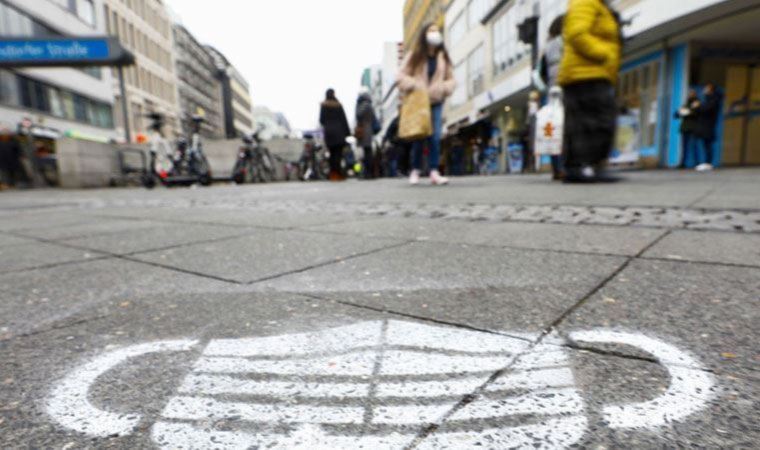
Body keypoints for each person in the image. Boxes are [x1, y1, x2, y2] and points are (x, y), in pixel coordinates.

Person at [559, 0, 622, 183]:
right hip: (584, 73)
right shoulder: (585, 2)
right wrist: (604, 54)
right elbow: (577, 33)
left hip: (595, 73)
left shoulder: (599, 6)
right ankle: (580, 167)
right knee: (591, 122)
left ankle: (589, 166)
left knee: (595, 123)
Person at [397, 22, 456, 185]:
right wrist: (415, 84)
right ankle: (415, 170)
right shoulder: (414, 55)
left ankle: (434, 171)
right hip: (418, 102)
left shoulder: (443, 57)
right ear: (424, 34)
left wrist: (442, 88)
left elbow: (451, 79)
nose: (434, 33)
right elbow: (400, 76)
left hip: (436, 101)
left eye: (437, 31)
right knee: (419, 137)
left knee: (435, 137)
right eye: (431, 30)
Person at [542, 15, 565, 180]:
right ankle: (563, 166)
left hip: (551, 93)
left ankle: (556, 168)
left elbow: (540, 72)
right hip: (565, 88)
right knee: (564, 130)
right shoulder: (564, 42)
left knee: (553, 130)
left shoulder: (547, 47)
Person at [319, 89, 351, 181]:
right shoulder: (338, 105)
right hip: (339, 131)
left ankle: (333, 174)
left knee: (332, 154)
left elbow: (321, 120)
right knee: (338, 154)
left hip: (329, 132)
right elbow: (344, 119)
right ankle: (338, 173)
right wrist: (347, 133)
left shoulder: (323, 106)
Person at [695, 83, 721, 172]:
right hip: (705, 126)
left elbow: (706, 110)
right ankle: (706, 162)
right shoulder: (707, 99)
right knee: (705, 144)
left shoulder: (713, 99)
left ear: (711, 90)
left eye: (707, 88)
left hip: (708, 126)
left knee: (708, 145)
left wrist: (698, 106)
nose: (704, 90)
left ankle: (708, 163)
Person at [355, 88, 378, 180]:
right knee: (368, 152)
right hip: (368, 130)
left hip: (364, 130)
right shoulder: (369, 104)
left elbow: (358, 115)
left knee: (367, 152)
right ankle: (369, 173)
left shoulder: (363, 104)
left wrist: (357, 105)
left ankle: (368, 173)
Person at [676, 89, 701, 169]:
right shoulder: (686, 104)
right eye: (690, 93)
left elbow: (694, 113)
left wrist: (686, 112)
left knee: (694, 146)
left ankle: (697, 163)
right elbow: (677, 114)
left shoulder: (698, 103)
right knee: (684, 147)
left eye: (692, 93)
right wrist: (686, 111)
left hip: (694, 128)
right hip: (685, 128)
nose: (690, 95)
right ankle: (682, 163)